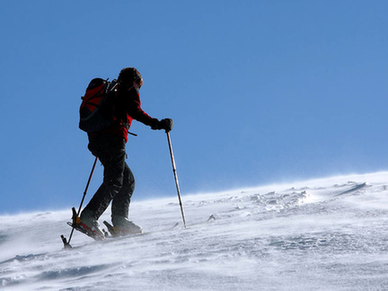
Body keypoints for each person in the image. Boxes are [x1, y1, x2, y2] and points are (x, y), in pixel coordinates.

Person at [79, 67, 173, 237]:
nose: (139, 88)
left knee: (127, 180)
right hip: (113, 139)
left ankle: (120, 220)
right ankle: (89, 216)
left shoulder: (113, 91)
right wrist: (158, 124)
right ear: (135, 81)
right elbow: (135, 111)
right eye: (140, 84)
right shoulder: (127, 89)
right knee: (115, 181)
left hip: (98, 140)